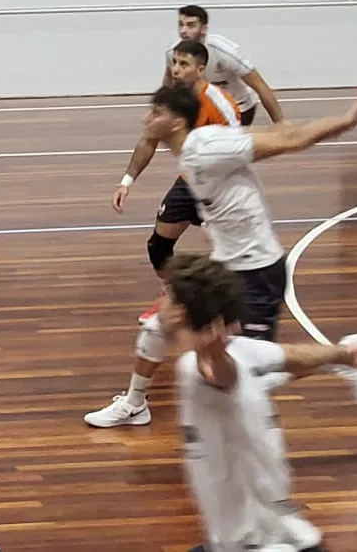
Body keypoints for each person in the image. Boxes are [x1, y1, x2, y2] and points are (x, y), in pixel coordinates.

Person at [162, 253, 357, 552]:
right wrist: (345, 353)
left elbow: (222, 377)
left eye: (164, 295)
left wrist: (215, 357)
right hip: (273, 536)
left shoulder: (201, 368)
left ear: (179, 312)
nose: (160, 303)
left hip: (260, 545)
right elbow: (291, 356)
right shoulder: (240, 349)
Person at [86, 40, 246, 429]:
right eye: (173, 62)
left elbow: (245, 150)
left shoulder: (222, 106)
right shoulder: (173, 104)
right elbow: (148, 140)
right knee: (159, 245)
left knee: (227, 292)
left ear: (201, 68)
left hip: (220, 193)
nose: (175, 69)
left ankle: (226, 383)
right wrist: (127, 180)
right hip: (187, 183)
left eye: (183, 63)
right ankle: (170, 299)